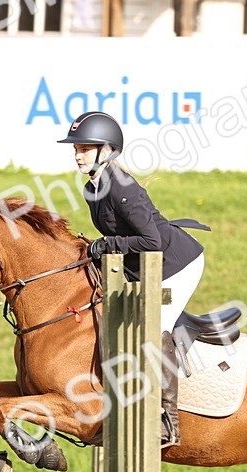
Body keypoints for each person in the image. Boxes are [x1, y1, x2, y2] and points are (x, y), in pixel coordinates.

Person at [58, 111, 207, 449]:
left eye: (85, 148)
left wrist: (106, 245)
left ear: (107, 151)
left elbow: (151, 241)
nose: (77, 155)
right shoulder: (92, 188)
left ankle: (166, 422)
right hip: (146, 267)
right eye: (76, 149)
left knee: (156, 327)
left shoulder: (122, 186)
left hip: (176, 263)